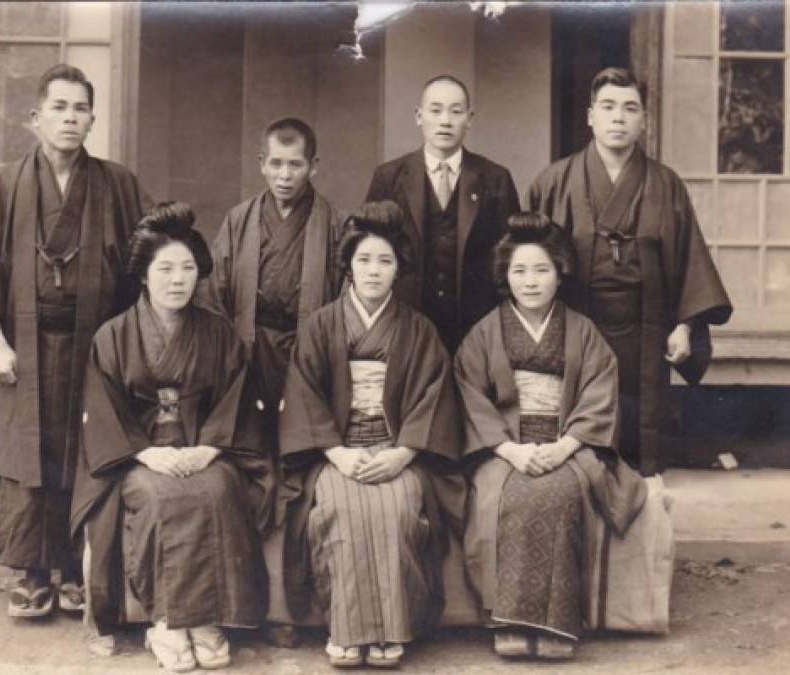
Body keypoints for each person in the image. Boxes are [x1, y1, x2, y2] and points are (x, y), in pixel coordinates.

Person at [0, 64, 150, 618]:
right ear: (36, 118)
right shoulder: (5, 185)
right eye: (59, 107)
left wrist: (130, 346)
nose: (70, 118)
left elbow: (144, 267)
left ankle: (78, 567)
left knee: (88, 451)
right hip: (24, 344)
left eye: (80, 108)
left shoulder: (118, 184)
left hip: (95, 344)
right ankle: (33, 573)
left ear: (93, 119)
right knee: (27, 454)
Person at [71, 203, 272, 671]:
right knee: (161, 499)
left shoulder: (219, 334)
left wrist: (207, 448)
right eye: (165, 269)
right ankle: (167, 622)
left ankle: (204, 620)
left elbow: (235, 400)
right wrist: (146, 455)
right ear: (143, 275)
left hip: (205, 449)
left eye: (186, 268)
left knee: (218, 489)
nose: (178, 279)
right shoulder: (113, 336)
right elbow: (103, 411)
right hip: (137, 460)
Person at [278, 201, 465, 669]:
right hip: (336, 451)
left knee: (398, 507)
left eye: (385, 261)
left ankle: (389, 631)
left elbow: (433, 397)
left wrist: (402, 454)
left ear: (399, 268)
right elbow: (304, 395)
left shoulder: (419, 329)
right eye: (364, 260)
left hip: (398, 449)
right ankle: (347, 630)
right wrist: (338, 454)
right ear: (348, 265)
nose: (374, 271)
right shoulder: (321, 325)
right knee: (340, 507)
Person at [454, 213, 647, 660]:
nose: (531, 281)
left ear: (560, 272)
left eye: (541, 269)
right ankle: (509, 621)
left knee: (560, 493)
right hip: (503, 446)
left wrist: (563, 446)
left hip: (568, 444)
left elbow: (600, 393)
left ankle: (558, 624)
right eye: (519, 271)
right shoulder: (484, 333)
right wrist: (511, 450)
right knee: (512, 495)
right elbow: (469, 397)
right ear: (505, 276)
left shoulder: (583, 331)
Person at [527, 67, 732, 475]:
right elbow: (528, 267)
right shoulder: (554, 181)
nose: (618, 117)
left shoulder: (666, 184)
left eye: (629, 108)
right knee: (576, 431)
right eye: (608, 107)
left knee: (639, 442)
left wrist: (686, 326)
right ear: (590, 116)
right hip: (575, 327)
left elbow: (690, 258)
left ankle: (638, 516)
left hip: (646, 329)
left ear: (643, 121)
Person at [195, 116, 346, 646]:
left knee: (301, 474)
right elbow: (213, 297)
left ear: (314, 166)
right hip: (249, 357)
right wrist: (233, 357)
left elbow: (343, 305)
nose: (285, 175)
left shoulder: (333, 224)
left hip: (309, 360)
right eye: (275, 163)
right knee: (253, 470)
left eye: (296, 164)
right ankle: (248, 604)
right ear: (261, 163)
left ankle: (296, 610)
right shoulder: (238, 221)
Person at [365, 74, 520, 352]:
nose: (445, 121)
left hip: (475, 325)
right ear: (419, 116)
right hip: (405, 321)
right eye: (435, 110)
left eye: (456, 111)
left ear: (469, 119)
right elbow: (366, 251)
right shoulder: (389, 177)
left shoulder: (495, 179)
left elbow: (510, 259)